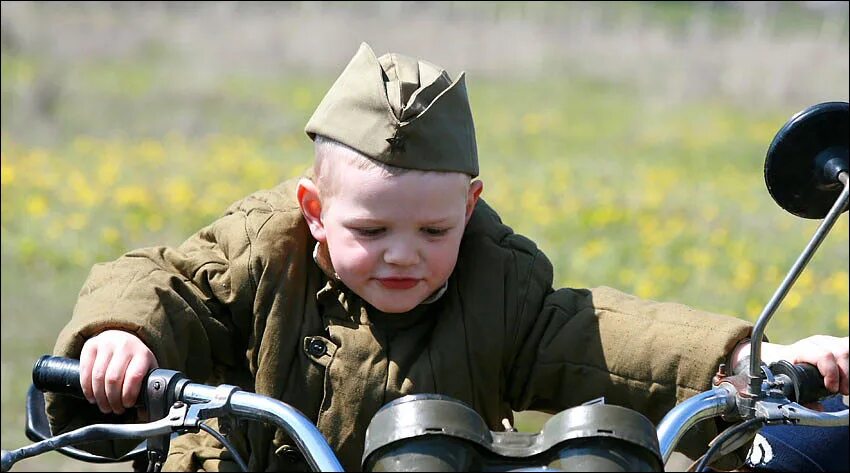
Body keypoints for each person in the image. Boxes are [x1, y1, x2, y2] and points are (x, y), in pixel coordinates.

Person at [45, 43, 848, 471]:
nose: (404, 256)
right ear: (314, 211)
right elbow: (169, 281)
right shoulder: (264, 251)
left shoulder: (496, 278)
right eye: (371, 231)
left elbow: (605, 336)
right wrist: (121, 336)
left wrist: (753, 356)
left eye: (434, 231)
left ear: (468, 205)